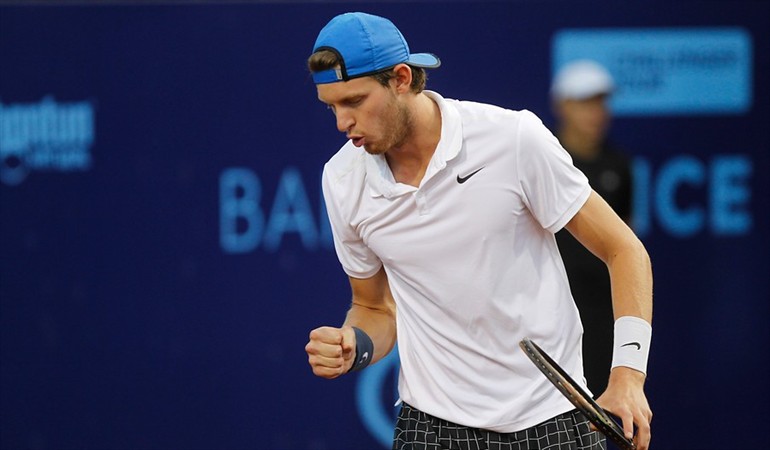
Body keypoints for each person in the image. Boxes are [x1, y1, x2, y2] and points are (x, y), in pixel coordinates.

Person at [304, 12, 653, 450]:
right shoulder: (341, 180)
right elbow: (373, 307)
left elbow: (625, 251)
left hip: (552, 419)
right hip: (429, 428)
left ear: (401, 78)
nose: (342, 123)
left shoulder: (513, 138)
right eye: (332, 106)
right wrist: (356, 344)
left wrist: (627, 374)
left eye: (353, 101)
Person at [550, 60, 635, 397]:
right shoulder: (544, 157)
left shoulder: (619, 166)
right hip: (551, 314)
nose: (596, 112)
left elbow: (626, 241)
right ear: (562, 105)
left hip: (602, 317)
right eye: (586, 102)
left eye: (601, 102)